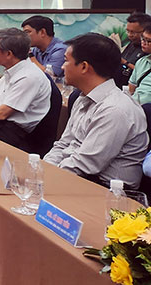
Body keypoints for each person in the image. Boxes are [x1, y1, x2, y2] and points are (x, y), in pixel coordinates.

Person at [44, 33, 148, 189]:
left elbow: (86, 164)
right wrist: (43, 169)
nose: (62, 67)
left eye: (66, 61)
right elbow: (63, 144)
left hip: (106, 190)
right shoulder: (83, 97)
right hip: (77, 177)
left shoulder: (114, 109)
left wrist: (46, 177)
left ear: (84, 67)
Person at [118, 12, 151, 87]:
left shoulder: (147, 49)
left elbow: (143, 71)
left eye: (133, 32)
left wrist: (125, 63)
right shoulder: (132, 44)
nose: (130, 35)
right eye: (128, 31)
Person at [129, 25, 151, 103]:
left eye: (148, 41)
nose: (143, 43)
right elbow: (131, 89)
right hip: (135, 106)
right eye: (143, 38)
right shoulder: (141, 62)